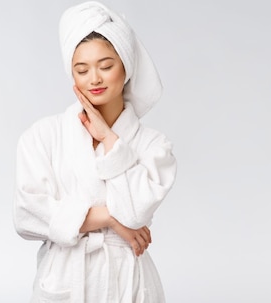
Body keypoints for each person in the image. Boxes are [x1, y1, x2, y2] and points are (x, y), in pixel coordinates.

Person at [13, 1, 177, 302]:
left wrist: (110, 140)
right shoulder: (43, 136)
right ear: (71, 74)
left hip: (129, 282)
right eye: (82, 69)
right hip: (65, 279)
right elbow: (26, 216)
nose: (95, 79)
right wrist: (109, 219)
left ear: (126, 67)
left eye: (106, 66)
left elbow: (136, 211)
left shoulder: (153, 145)